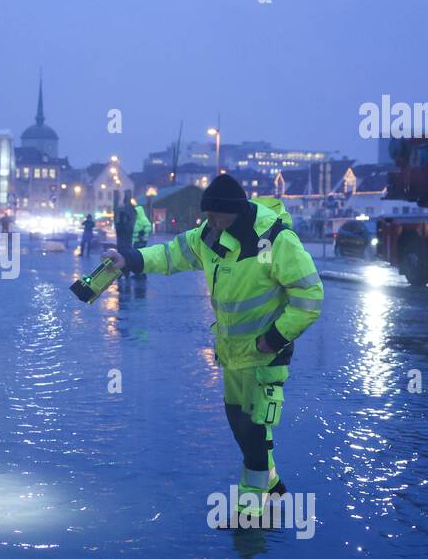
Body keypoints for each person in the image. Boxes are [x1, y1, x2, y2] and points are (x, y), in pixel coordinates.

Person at [103, 173, 324, 514]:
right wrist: (129, 260)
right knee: (240, 423)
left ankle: (250, 514)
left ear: (231, 211)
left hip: (266, 353)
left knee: (254, 429)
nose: (209, 222)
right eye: (207, 216)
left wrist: (274, 338)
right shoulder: (210, 236)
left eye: (214, 216)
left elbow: (309, 296)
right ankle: (273, 486)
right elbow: (172, 255)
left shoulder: (275, 240)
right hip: (233, 354)